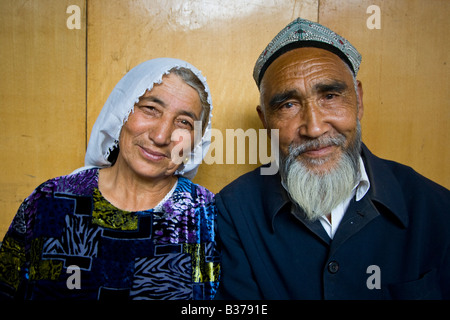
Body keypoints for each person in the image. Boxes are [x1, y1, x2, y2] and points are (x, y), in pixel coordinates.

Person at [215, 18, 450, 299]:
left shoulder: (436, 209)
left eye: (330, 96)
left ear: (358, 100)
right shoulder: (231, 212)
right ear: (265, 120)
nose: (314, 128)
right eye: (288, 105)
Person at [0, 58, 220, 300]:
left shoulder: (207, 216)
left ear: (195, 141)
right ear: (122, 112)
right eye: (150, 109)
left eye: (184, 122)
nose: (161, 136)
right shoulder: (50, 201)